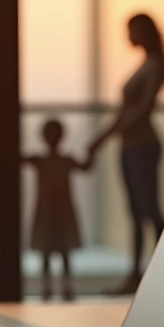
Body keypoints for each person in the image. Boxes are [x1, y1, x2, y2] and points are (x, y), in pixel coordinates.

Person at [88, 13, 164, 295]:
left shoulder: (154, 65)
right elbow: (128, 112)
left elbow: (140, 110)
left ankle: (162, 275)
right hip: (130, 146)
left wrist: (106, 136)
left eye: (131, 30)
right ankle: (137, 275)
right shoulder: (146, 64)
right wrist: (105, 137)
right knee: (136, 210)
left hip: (142, 146)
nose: (128, 36)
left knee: (149, 209)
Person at [24, 118, 94, 301]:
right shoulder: (47, 161)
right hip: (50, 212)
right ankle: (51, 288)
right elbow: (86, 166)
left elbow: (86, 167)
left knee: (61, 252)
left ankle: (61, 287)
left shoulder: (56, 161)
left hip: (58, 212)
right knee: (51, 253)